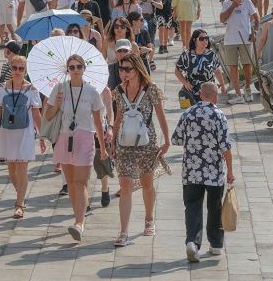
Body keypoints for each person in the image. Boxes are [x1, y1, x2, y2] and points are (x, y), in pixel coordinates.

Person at [43, 55, 108, 241]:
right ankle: (77, 217)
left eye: (79, 66)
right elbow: (47, 116)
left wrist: (102, 147)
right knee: (70, 183)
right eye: (71, 67)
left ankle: (79, 223)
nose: (76, 70)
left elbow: (97, 120)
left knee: (81, 183)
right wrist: (57, 103)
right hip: (65, 137)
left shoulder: (91, 91)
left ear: (84, 68)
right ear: (68, 70)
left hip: (85, 138)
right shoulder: (60, 88)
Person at [110, 53, 170, 246]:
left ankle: (149, 219)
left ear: (137, 69)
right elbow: (118, 117)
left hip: (147, 144)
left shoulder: (151, 89)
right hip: (124, 145)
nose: (124, 73)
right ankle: (123, 232)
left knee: (147, 184)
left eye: (128, 69)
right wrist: (112, 140)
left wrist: (167, 140)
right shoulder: (118, 91)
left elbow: (161, 115)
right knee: (126, 186)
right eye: (121, 69)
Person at [172, 82, 234, 262]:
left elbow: (176, 139)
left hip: (191, 171)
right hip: (213, 172)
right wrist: (230, 170)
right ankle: (215, 245)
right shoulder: (219, 116)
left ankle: (192, 242)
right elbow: (225, 147)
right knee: (214, 207)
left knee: (192, 207)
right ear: (215, 97)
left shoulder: (188, 113)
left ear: (200, 95)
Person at [0, 55, 45, 220]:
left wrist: (41, 137)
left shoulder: (31, 89)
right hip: (7, 131)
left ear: (26, 71)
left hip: (25, 133)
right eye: (15, 68)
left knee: (22, 167)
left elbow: (36, 114)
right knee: (12, 170)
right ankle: (21, 192)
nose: (18, 71)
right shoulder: (2, 88)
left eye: (21, 69)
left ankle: (19, 205)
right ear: (10, 69)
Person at [219, 0, 259, 105]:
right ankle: (238, 94)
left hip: (245, 38)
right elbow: (222, 19)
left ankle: (247, 89)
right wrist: (232, 6)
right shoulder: (226, 3)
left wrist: (255, 31)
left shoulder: (247, 1)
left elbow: (256, 17)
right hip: (230, 39)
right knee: (233, 68)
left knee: (247, 65)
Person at [175, 30, 227, 105]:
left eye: (206, 38)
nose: (205, 40)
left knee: (209, 113)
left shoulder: (211, 55)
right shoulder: (186, 55)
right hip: (191, 91)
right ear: (194, 40)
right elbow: (177, 70)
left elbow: (217, 71)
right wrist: (185, 83)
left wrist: (222, 85)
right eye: (201, 39)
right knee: (191, 114)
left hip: (208, 92)